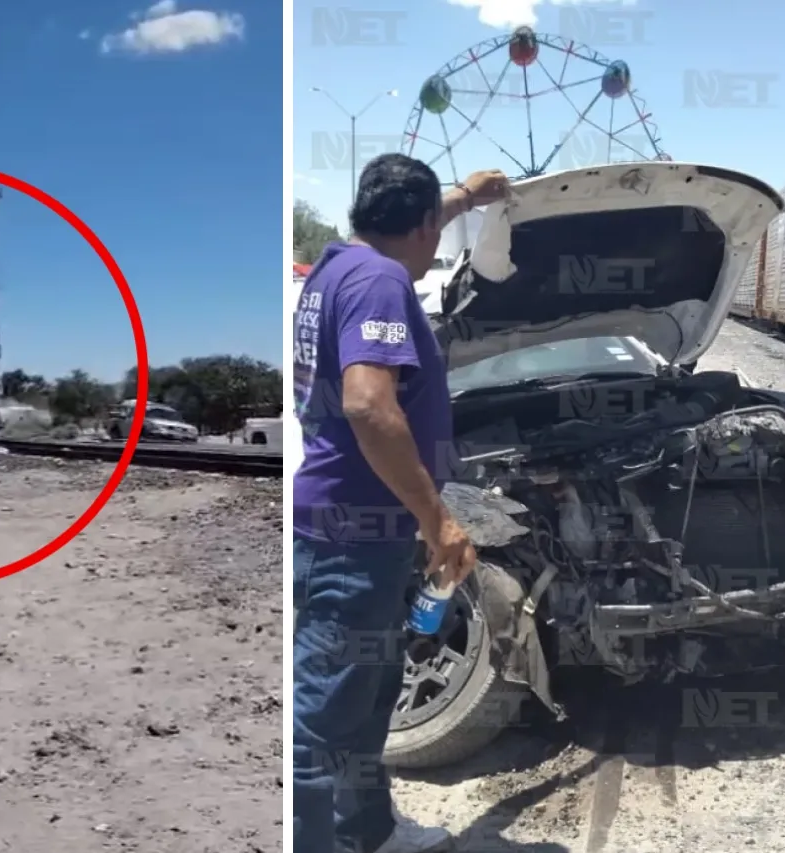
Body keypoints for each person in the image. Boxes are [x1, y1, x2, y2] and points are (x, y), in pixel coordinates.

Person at [292, 153, 507, 853]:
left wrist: (467, 198)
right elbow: (368, 405)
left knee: (366, 696)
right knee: (319, 722)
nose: (435, 245)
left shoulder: (337, 265)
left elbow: (414, 224)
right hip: (352, 538)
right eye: (434, 226)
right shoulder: (381, 280)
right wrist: (437, 517)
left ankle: (370, 831)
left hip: (355, 530)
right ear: (416, 227)